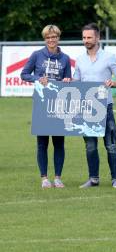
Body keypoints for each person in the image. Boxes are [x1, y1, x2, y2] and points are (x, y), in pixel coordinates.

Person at [21, 24, 72, 188]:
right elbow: (24, 74)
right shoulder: (37, 55)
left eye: (54, 37)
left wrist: (67, 81)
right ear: (45, 39)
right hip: (42, 103)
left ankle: (57, 177)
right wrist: (37, 78)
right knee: (42, 143)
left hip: (59, 104)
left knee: (59, 142)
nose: (51, 40)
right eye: (48, 37)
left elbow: (68, 79)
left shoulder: (65, 58)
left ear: (58, 38)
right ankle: (44, 178)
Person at [73, 23, 116, 189]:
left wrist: (113, 83)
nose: (86, 40)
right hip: (86, 108)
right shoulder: (79, 60)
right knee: (90, 146)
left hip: (105, 106)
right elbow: (76, 82)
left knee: (111, 145)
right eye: (84, 37)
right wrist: (68, 82)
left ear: (98, 38)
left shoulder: (109, 57)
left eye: (89, 37)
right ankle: (93, 178)